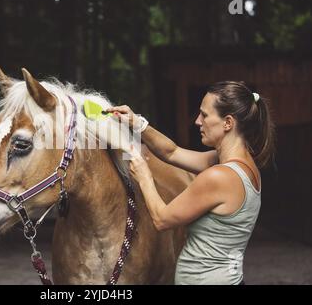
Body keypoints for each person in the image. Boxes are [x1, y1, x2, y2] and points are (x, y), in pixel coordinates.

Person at [106, 81, 275, 285]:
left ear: (228, 123)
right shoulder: (244, 165)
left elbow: (162, 219)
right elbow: (172, 152)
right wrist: (138, 123)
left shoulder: (219, 177)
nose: (197, 121)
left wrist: (144, 176)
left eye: (204, 115)